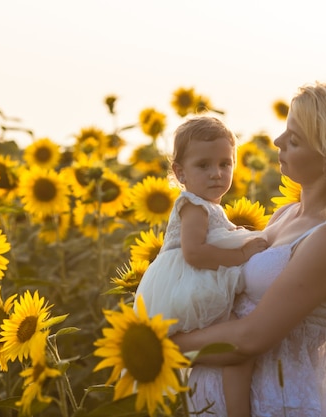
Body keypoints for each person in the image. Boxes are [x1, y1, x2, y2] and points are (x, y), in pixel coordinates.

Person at [172, 82, 326, 416]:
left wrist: (161, 346)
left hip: (278, 399)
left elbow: (252, 338)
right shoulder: (285, 214)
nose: (278, 142)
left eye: (295, 140)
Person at [134, 116, 268, 417]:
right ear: (180, 172)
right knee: (237, 348)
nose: (216, 174)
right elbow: (194, 253)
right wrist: (243, 253)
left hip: (196, 286)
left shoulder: (209, 206)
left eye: (225, 164)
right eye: (203, 165)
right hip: (188, 288)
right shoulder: (193, 206)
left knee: (236, 351)